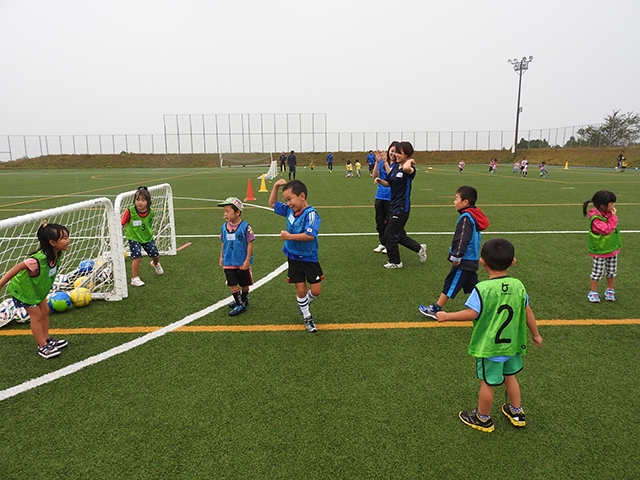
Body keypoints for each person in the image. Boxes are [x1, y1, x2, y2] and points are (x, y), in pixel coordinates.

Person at [435, 238, 543, 432]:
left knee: (487, 382)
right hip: (513, 344)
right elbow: (528, 312)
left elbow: (472, 313)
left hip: (490, 347)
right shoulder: (518, 286)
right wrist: (536, 334)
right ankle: (517, 412)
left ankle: (482, 418)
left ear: (482, 262)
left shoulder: (482, 289)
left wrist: (446, 316)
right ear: (513, 262)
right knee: (510, 376)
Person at [0, 223, 70, 359]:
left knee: (45, 311)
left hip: (37, 290)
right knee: (37, 316)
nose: (68, 240)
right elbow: (16, 269)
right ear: (52, 242)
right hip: (24, 291)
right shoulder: (36, 260)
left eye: (68, 237)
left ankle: (47, 339)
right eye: (64, 238)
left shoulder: (57, 255)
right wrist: (1, 283)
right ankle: (42, 345)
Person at [418, 186, 490, 319]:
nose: (454, 202)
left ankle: (436, 308)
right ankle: (489, 305)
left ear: (465, 202)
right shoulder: (473, 215)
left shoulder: (466, 218)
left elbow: (462, 238)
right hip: (471, 258)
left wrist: (456, 256)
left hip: (464, 260)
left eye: (456, 198)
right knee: (474, 285)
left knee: (451, 282)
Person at [269, 179, 323, 333]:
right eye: (286, 200)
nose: (288, 203)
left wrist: (288, 237)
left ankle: (305, 303)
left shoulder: (311, 214)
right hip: (293, 257)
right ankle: (307, 317)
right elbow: (272, 203)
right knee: (300, 290)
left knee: (316, 291)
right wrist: (275, 187)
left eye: (289, 199)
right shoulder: (288, 210)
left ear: (302, 196)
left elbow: (309, 235)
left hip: (309, 258)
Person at [381, 141, 426, 269]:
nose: (396, 154)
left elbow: (406, 168)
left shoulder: (409, 169)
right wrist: (380, 181)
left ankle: (395, 262)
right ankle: (419, 248)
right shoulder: (395, 167)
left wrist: (410, 160)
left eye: (399, 152)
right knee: (398, 235)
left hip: (402, 207)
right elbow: (389, 182)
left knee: (389, 235)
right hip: (393, 205)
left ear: (406, 154)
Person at [218, 197, 254, 317]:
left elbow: (250, 243)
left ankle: (244, 299)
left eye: (228, 211)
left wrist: (247, 259)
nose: (225, 214)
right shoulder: (224, 227)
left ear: (237, 212)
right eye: (224, 211)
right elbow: (223, 242)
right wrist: (221, 256)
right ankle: (239, 304)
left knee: (244, 283)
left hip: (241, 261)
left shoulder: (245, 227)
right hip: (229, 260)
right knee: (232, 283)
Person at [583, 190, 621, 303]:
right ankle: (593, 291)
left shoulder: (607, 214)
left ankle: (610, 289)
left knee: (611, 271)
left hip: (612, 249)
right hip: (600, 250)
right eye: (611, 204)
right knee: (597, 272)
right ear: (602, 206)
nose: (613, 206)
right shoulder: (595, 219)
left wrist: (611, 216)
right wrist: (614, 218)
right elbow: (607, 230)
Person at [121, 186, 164, 287]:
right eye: (137, 200)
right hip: (134, 238)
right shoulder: (130, 211)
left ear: (148, 202)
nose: (140, 202)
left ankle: (155, 264)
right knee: (137, 257)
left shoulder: (151, 211)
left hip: (147, 237)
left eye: (143, 200)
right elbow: (122, 222)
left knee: (155, 255)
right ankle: (134, 278)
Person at [372, 141, 399, 254]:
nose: (393, 153)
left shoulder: (398, 165)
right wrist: (377, 162)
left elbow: (391, 176)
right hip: (380, 196)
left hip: (391, 197)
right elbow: (374, 175)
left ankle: (389, 244)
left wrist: (385, 162)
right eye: (391, 151)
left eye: (395, 152)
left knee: (388, 222)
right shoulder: (383, 162)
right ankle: (383, 242)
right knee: (379, 221)